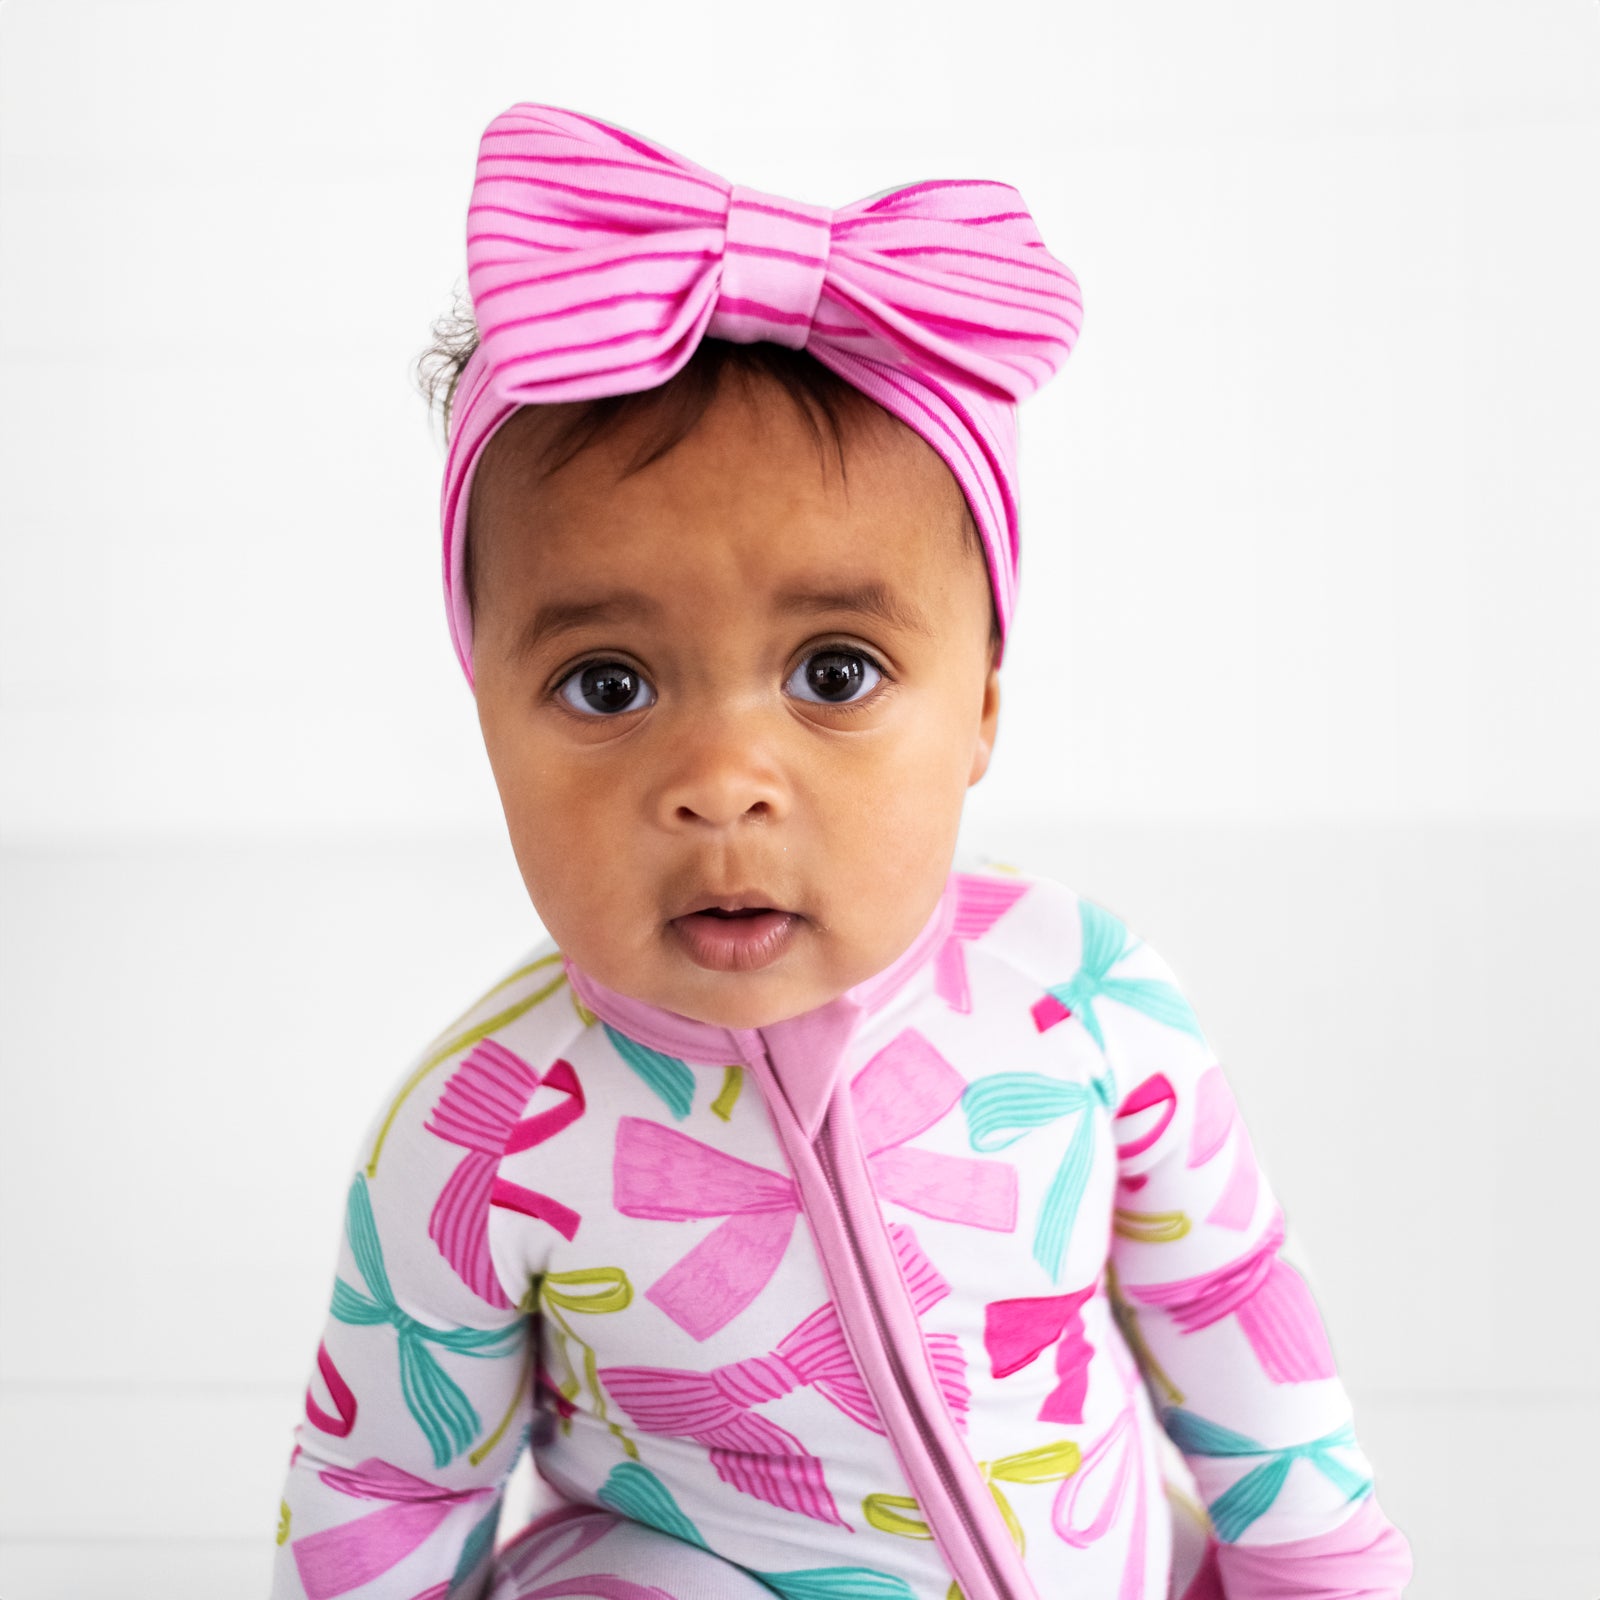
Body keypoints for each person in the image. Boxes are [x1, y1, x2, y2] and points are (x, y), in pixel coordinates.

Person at [269, 103, 1413, 1600]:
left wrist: (1317, 1568)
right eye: (608, 686)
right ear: (487, 722)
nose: (726, 783)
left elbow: (1228, 1294)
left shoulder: (1084, 996)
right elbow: (383, 1482)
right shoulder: (484, 1136)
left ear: (982, 707)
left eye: (835, 673)